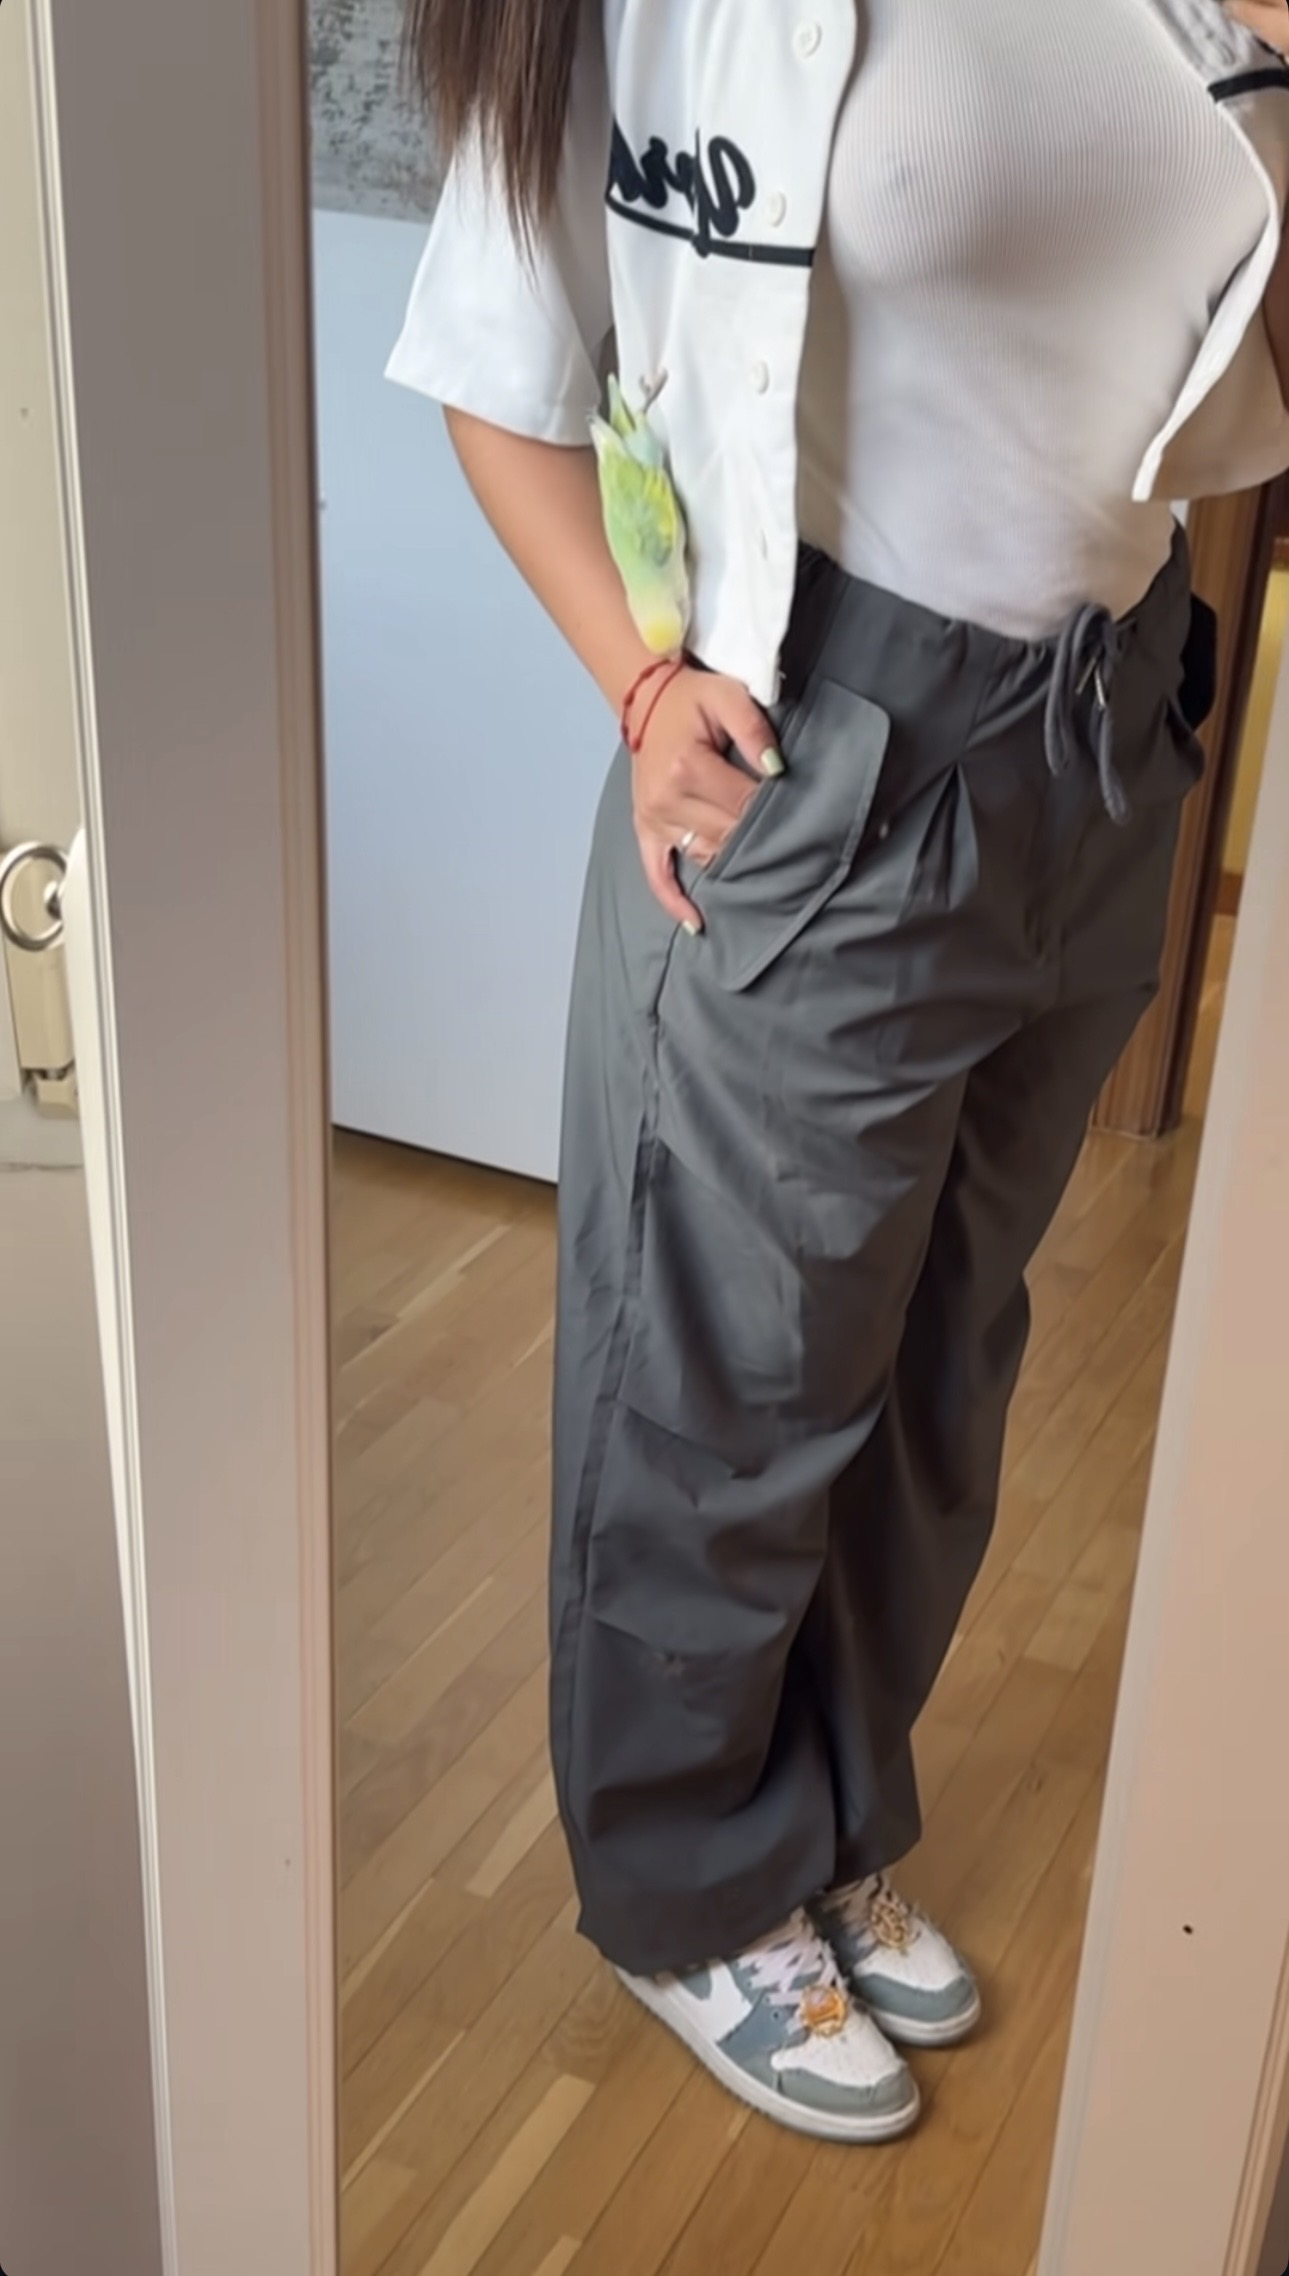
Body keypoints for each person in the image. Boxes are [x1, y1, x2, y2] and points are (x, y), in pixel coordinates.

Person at [387, 0, 1289, 2144]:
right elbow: (499, 377)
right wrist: (638, 686)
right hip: (831, 731)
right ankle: (685, 1884)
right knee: (729, 1373)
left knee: (940, 1360)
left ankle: (819, 1817)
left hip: (1103, 728)